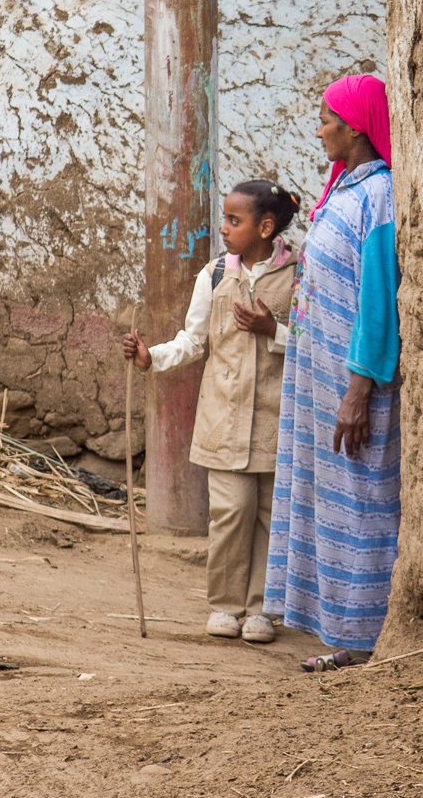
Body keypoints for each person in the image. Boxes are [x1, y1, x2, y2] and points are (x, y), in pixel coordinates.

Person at [122, 179, 303, 644]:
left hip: (275, 419)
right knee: (231, 511)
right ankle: (226, 605)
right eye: (224, 218)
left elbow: (314, 341)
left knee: (269, 515)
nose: (222, 228)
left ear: (265, 227)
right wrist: (151, 358)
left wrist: (273, 330)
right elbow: (193, 340)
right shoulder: (216, 275)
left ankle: (263, 610)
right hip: (223, 419)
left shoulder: (299, 274)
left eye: (233, 220)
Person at [266, 73, 401, 672]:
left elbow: (378, 300)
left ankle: (366, 635)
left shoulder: (380, 198)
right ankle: (339, 625)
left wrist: (358, 387)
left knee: (362, 495)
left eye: (326, 119)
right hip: (318, 378)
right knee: (331, 496)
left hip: (352, 383)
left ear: (356, 127)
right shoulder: (348, 187)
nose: (319, 128)